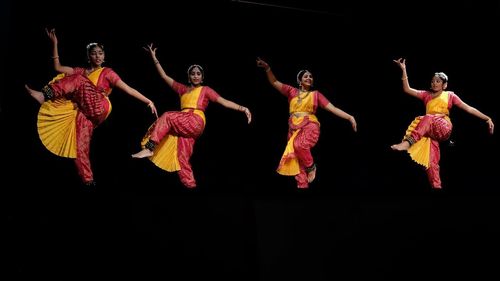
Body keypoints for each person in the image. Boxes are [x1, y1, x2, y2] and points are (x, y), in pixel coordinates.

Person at [25, 28, 158, 186]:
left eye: (100, 53)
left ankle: (44, 95)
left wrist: (148, 101)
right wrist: (55, 44)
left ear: (104, 56)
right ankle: (89, 181)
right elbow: (58, 68)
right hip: (86, 113)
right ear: (88, 57)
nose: (98, 56)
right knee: (79, 146)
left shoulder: (107, 72)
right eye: (94, 53)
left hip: (100, 105)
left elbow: (128, 89)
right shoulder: (81, 71)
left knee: (79, 80)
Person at [131, 44, 252, 188]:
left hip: (195, 121)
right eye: (193, 73)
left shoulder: (205, 90)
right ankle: (191, 187)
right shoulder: (182, 89)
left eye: (198, 74)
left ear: (202, 77)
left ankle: (150, 147)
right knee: (182, 158)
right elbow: (164, 76)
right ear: (189, 76)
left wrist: (242, 108)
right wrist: (154, 57)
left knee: (167, 116)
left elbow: (224, 102)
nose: (195, 76)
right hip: (184, 125)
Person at [391, 58, 494, 189]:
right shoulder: (426, 95)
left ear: (444, 85)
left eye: (438, 81)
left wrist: (487, 118)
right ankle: (437, 187)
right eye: (433, 81)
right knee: (431, 162)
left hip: (443, 127)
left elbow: (469, 108)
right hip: (430, 131)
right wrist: (403, 69)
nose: (434, 83)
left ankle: (407, 143)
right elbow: (407, 89)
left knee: (427, 117)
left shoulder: (450, 95)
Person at [256, 57, 357, 189]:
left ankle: (311, 166)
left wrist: (350, 117)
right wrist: (267, 68)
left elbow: (333, 108)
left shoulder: (316, 95)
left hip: (310, 125)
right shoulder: (291, 91)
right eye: (306, 76)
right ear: (299, 80)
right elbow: (274, 81)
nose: (309, 78)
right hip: (293, 129)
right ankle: (303, 188)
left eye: (311, 76)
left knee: (299, 145)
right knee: (298, 166)